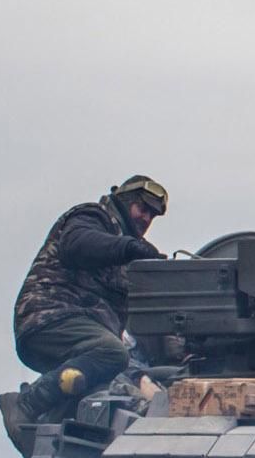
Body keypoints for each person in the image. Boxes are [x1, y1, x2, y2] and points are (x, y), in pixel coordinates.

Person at [11, 175, 167, 415]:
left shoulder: (126, 259)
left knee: (99, 386)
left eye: (152, 215)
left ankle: (34, 424)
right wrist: (128, 247)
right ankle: (27, 404)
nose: (146, 218)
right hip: (50, 317)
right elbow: (76, 243)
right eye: (143, 208)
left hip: (83, 335)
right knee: (113, 354)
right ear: (125, 201)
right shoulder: (94, 216)